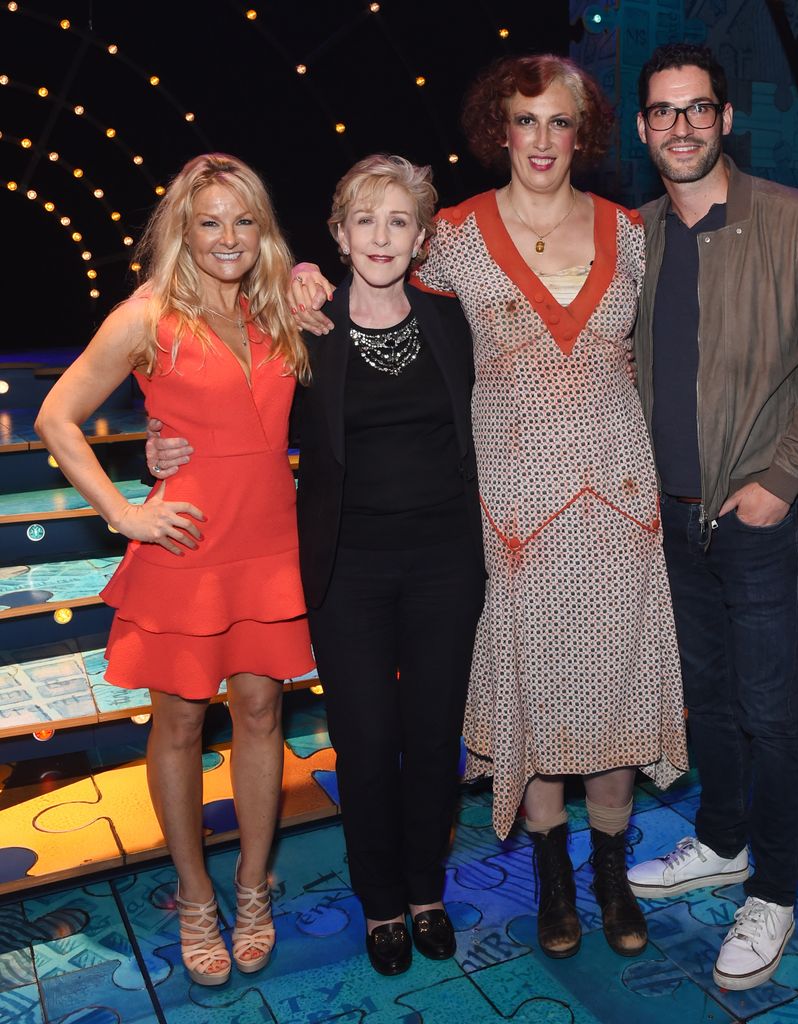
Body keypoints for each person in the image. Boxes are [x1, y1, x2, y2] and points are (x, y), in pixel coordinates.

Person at [290, 55, 688, 961]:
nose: (542, 140)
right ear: (497, 130)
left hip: (618, 505)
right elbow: (369, 259)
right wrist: (298, 276)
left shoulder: (633, 234)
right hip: (511, 514)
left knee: (617, 693)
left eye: (559, 122)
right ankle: (552, 882)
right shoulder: (453, 236)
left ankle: (612, 876)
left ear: (582, 131)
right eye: (524, 121)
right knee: (537, 698)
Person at [148, 154, 486, 978]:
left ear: (420, 237)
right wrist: (165, 452)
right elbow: (227, 407)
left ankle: (425, 893)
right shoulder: (298, 326)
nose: (381, 236)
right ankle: (379, 903)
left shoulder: (451, 318)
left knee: (432, 734)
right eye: (363, 221)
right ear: (336, 235)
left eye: (398, 221)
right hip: (345, 572)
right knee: (364, 742)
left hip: (446, 565)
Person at [35, 153, 314, 986]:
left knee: (263, 715)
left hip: (269, 543)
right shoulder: (148, 314)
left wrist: (307, 277)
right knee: (182, 724)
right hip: (186, 547)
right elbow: (57, 416)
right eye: (208, 221)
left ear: (260, 228)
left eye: (243, 220)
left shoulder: (278, 307)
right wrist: (125, 511)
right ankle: (196, 894)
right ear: (182, 231)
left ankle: (253, 886)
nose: (227, 237)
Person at [626, 43, 798, 990]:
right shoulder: (632, 235)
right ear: (644, 129)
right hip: (667, 521)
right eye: (660, 112)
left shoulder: (795, 221)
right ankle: (719, 840)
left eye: (695, 109)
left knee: (771, 712)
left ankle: (772, 884)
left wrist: (777, 483)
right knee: (708, 703)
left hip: (758, 515)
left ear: (725, 119)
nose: (679, 126)